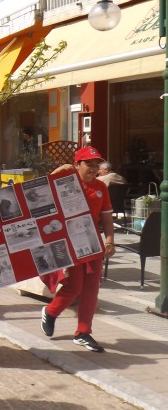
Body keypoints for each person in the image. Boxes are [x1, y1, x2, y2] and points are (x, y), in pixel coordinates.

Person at [40, 147, 116, 352]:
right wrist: (56, 172)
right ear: (77, 165)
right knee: (74, 286)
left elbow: (106, 217)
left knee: (91, 289)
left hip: (91, 243)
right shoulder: (65, 182)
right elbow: (39, 193)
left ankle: (83, 332)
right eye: (88, 164)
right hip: (68, 241)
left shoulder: (101, 187)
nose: (93, 168)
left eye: (96, 164)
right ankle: (51, 312)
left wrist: (109, 240)